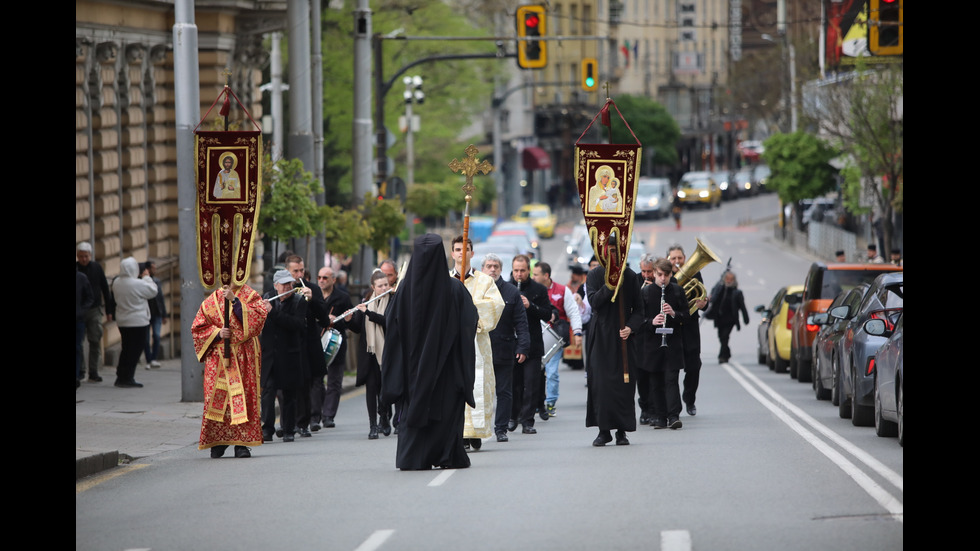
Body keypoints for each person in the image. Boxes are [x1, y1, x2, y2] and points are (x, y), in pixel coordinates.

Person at [381, 233, 478, 470]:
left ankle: (414, 458)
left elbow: (391, 327)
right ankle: (445, 456)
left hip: (411, 373)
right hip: (446, 371)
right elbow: (469, 324)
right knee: (445, 414)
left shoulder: (403, 290)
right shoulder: (455, 289)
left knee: (416, 409)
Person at [193, 282, 270, 458]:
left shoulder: (251, 295)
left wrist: (235, 302)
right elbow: (198, 327)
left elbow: (258, 320)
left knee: (242, 399)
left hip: (243, 356)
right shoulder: (212, 300)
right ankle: (219, 441)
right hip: (218, 357)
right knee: (218, 399)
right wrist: (218, 333)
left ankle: (241, 444)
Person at [450, 235, 504, 451]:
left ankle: (477, 432)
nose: (462, 253)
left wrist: (468, 310)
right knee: (455, 385)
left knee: (479, 383)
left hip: (477, 343)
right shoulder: (445, 280)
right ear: (452, 253)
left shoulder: (485, 281)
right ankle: (460, 432)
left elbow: (495, 306)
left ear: (472, 253)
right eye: (457, 249)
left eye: (466, 249)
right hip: (452, 344)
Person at [585, 250, 644, 446]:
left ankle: (621, 431)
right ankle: (604, 431)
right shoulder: (594, 275)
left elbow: (639, 309)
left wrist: (631, 327)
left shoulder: (629, 275)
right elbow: (594, 302)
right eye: (608, 252)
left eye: (615, 251)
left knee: (623, 385)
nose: (611, 255)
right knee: (601, 385)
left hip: (623, 337)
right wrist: (609, 285)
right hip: (601, 336)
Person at [481, 253, 530, 443]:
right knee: (481, 391)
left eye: (496, 266)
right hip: (480, 351)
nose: (492, 269)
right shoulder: (475, 290)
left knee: (504, 392)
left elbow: (521, 323)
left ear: (501, 270)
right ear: (483, 269)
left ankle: (501, 428)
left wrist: (523, 347)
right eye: (489, 266)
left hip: (504, 349)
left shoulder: (511, 292)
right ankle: (480, 428)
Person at [507, 254, 556, 435]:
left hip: (533, 344)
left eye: (522, 271)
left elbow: (547, 314)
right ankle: (513, 417)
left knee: (531, 384)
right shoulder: (506, 287)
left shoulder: (538, 289)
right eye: (516, 271)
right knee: (514, 384)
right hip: (512, 343)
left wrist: (531, 306)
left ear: (528, 270)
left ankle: (528, 421)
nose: (519, 274)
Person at [640, 257, 689, 429]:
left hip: (672, 344)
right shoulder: (646, 293)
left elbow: (687, 317)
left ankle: (673, 416)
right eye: (659, 275)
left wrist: (674, 314)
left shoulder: (677, 291)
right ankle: (659, 416)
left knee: (671, 380)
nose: (663, 279)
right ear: (653, 274)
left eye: (666, 275)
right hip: (653, 344)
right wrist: (651, 322)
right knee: (655, 382)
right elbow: (639, 320)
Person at [285, 255, 331, 437]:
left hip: (307, 342)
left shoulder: (312, 288)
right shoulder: (283, 289)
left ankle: (304, 422)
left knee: (306, 382)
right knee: (286, 384)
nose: (299, 274)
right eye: (295, 271)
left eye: (301, 270)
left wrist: (313, 300)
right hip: (288, 341)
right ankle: (290, 421)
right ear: (287, 270)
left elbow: (325, 319)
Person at [260, 270, 308, 443]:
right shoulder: (265, 298)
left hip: (289, 354)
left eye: (290, 284)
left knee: (288, 393)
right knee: (268, 391)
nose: (288, 287)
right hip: (270, 355)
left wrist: (273, 312)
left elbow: (297, 325)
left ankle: (288, 429)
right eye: (284, 284)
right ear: (275, 286)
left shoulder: (298, 301)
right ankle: (267, 429)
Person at [532, 261, 582, 419]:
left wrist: (577, 332)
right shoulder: (531, 290)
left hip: (554, 338)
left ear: (546, 276)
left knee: (552, 372)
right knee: (535, 372)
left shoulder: (562, 290)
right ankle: (535, 402)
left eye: (536, 274)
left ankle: (550, 402)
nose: (533, 277)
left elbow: (573, 312)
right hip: (535, 336)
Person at [347, 270, 392, 439]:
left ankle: (385, 416)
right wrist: (349, 320)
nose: (384, 288)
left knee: (385, 389)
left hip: (387, 352)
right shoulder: (366, 301)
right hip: (370, 352)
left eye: (386, 285)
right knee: (371, 388)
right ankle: (373, 425)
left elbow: (389, 322)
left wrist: (368, 313)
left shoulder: (393, 301)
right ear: (373, 287)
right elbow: (358, 328)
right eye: (380, 286)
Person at [668, 244, 708, 416]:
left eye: (680, 258)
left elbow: (702, 296)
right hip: (672, 327)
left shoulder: (695, 273)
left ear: (685, 258)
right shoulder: (665, 276)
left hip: (690, 327)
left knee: (694, 366)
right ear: (668, 260)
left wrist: (703, 304)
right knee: (672, 368)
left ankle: (689, 399)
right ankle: (674, 405)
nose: (677, 261)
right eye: (673, 258)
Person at [312, 265, 353, 431]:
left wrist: (337, 320)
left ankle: (328, 416)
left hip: (336, 342)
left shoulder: (342, 298)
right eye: (319, 277)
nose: (321, 281)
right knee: (317, 380)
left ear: (333, 280)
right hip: (316, 341)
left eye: (325, 278)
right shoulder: (313, 295)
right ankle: (317, 413)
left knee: (334, 381)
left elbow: (351, 321)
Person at [110, 257, 159, 388]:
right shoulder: (138, 283)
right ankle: (128, 377)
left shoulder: (116, 283)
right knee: (135, 350)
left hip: (122, 321)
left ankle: (121, 375)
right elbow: (153, 291)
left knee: (126, 348)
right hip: (138, 321)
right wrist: (147, 277)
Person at [76, 242, 113, 382]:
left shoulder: (96, 268)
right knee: (78, 343)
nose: (83, 259)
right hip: (79, 312)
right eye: (80, 256)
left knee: (95, 340)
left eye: (86, 256)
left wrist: (109, 311)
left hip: (94, 309)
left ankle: (93, 370)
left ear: (90, 256)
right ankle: (80, 370)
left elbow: (105, 288)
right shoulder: (76, 268)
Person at [707, 270, 749, 364]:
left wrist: (746, 319)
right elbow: (713, 299)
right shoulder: (720, 289)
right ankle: (727, 353)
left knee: (725, 336)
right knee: (721, 337)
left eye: (731, 279)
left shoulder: (737, 293)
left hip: (730, 319)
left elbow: (742, 306)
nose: (729, 281)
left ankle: (722, 356)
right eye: (727, 279)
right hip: (720, 318)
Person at [635, 254, 657, 424]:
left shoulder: (661, 282)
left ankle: (656, 408)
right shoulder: (635, 281)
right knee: (641, 376)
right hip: (640, 336)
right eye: (643, 271)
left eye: (649, 271)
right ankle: (644, 409)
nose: (646, 275)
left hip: (657, 337)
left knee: (655, 375)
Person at [141, 261, 167, 369]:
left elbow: (160, 298)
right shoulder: (141, 282)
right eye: (152, 268)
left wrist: (164, 314)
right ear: (147, 269)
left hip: (157, 313)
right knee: (146, 339)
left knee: (156, 335)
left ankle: (154, 359)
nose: (154, 270)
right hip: (146, 314)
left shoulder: (157, 281)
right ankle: (148, 359)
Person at [76, 265, 95, 388]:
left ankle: (76, 375)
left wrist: (81, 311)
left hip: (78, 320)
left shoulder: (81, 278)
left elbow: (90, 297)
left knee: (77, 347)